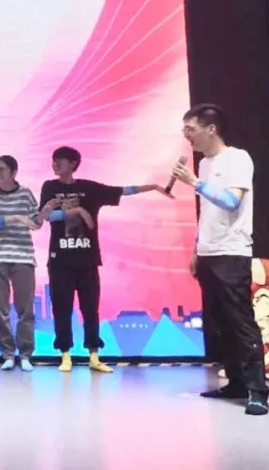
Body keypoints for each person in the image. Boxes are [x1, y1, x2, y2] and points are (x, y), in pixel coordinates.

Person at [170, 104, 269, 415]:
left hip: (231, 251)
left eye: (191, 129)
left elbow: (230, 201)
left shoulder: (237, 158)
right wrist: (197, 249)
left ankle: (257, 391)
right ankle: (236, 382)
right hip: (209, 253)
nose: (187, 135)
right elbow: (207, 211)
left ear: (211, 129)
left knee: (240, 322)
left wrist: (194, 182)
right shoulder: (204, 164)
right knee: (219, 324)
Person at [38, 146, 171, 373]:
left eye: (60, 160)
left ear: (73, 163)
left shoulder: (89, 188)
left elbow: (122, 190)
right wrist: (71, 212)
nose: (55, 164)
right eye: (53, 160)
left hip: (88, 260)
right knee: (61, 308)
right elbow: (44, 216)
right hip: (60, 261)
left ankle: (94, 355)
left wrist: (152, 187)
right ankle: (65, 355)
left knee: (90, 309)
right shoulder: (50, 187)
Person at [0, 156, 50, 372]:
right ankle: (7, 353)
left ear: (14, 172)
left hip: (23, 256)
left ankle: (25, 355)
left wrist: (42, 215)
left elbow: (34, 223)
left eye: (2, 169)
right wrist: (16, 218)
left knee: (25, 310)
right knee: (0, 310)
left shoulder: (25, 194)